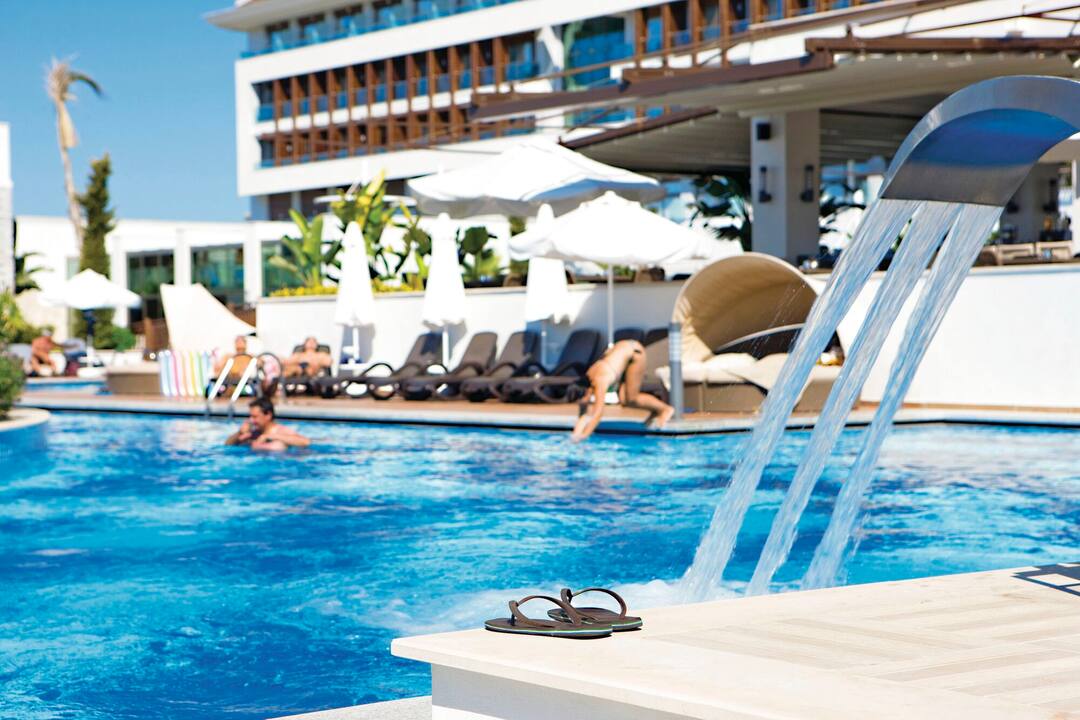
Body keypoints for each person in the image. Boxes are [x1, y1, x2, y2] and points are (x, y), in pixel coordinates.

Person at [572, 339, 674, 443]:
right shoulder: (587, 379)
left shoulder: (599, 381)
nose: (582, 403)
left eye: (582, 401)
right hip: (623, 350)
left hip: (635, 352)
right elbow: (583, 414)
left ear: (586, 393)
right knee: (624, 400)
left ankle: (665, 409)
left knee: (631, 398)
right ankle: (655, 410)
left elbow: (597, 414)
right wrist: (575, 436)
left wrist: (583, 437)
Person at [225, 398, 311, 451]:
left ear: (268, 415)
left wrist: (269, 436)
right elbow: (227, 444)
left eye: (255, 417)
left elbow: (306, 442)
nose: (251, 420)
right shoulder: (253, 432)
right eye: (250, 416)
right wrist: (239, 432)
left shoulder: (281, 431)